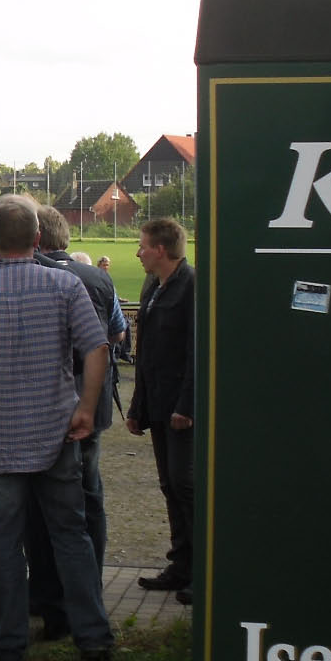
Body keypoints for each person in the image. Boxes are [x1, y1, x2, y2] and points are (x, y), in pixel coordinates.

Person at [0, 195, 113, 661]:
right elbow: (97, 348)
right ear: (38, 238)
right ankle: (93, 635)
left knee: (3, 542)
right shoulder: (65, 286)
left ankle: (7, 641)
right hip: (56, 431)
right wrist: (85, 408)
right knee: (70, 535)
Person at [25, 206, 128, 641]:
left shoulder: (40, 279)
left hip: (51, 403)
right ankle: (91, 584)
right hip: (92, 403)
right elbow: (116, 335)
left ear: (38, 239)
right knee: (90, 497)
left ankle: (48, 595)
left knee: (45, 508)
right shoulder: (99, 279)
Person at [127, 217, 197, 605]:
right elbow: (146, 353)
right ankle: (180, 565)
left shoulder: (192, 286)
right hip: (156, 405)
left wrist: (187, 405)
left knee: (186, 484)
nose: (138, 253)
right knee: (169, 484)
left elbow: (196, 352)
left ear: (161, 249)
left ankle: (202, 569)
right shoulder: (153, 286)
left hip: (180, 408)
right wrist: (138, 406)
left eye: (143, 246)